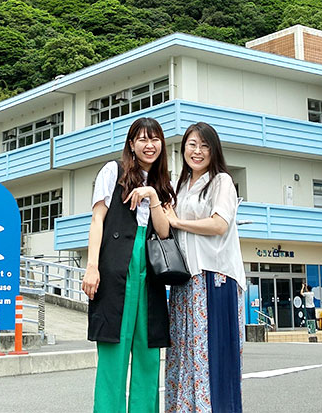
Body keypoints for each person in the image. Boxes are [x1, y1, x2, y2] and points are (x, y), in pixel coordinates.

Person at [82, 117, 175, 413]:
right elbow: (97, 219)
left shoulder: (162, 184)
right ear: (131, 145)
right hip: (115, 267)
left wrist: (152, 195)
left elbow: (164, 232)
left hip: (150, 272)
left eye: (155, 139)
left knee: (148, 357)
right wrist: (92, 266)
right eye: (143, 139)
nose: (150, 145)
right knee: (113, 353)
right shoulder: (113, 171)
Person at [164, 122, 245, 413]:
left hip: (215, 276)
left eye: (204, 146)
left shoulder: (221, 181)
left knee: (212, 353)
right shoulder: (180, 186)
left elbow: (219, 223)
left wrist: (178, 222)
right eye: (192, 144)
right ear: (183, 147)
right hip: (185, 279)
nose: (197, 152)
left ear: (214, 150)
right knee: (184, 352)